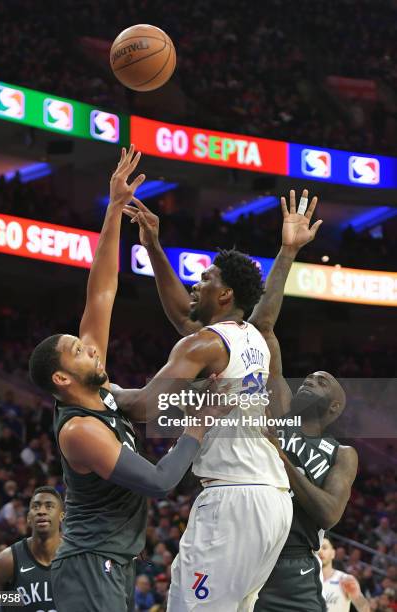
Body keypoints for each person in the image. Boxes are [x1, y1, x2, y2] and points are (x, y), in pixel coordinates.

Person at [28, 146, 220, 612]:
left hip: (110, 562)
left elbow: (103, 290)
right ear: (62, 377)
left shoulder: (96, 388)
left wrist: (113, 208)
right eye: (78, 350)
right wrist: (197, 424)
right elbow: (157, 482)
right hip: (91, 565)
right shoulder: (80, 430)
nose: (90, 347)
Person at [117, 195, 323, 610]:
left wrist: (105, 389)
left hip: (233, 501)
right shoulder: (254, 338)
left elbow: (142, 408)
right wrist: (153, 246)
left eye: (205, 278)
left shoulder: (206, 343)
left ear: (225, 293)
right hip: (273, 502)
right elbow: (185, 317)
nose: (197, 283)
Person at [215, 191, 358, 612]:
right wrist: (288, 250)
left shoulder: (342, 454)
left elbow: (330, 513)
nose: (311, 378)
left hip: (292, 563)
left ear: (334, 408)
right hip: (243, 546)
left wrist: (282, 458)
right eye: (310, 376)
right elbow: (262, 324)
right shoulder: (277, 409)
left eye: (324, 381)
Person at [0, 486, 64, 612]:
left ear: (61, 516)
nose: (41, 511)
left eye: (49, 506)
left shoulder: (77, 558)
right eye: (36, 506)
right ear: (28, 518)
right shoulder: (7, 560)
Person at [320, 537, 370, 611]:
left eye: (324, 548)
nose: (320, 551)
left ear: (333, 553)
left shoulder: (345, 579)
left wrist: (358, 597)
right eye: (316, 549)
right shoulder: (304, 580)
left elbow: (364, 609)